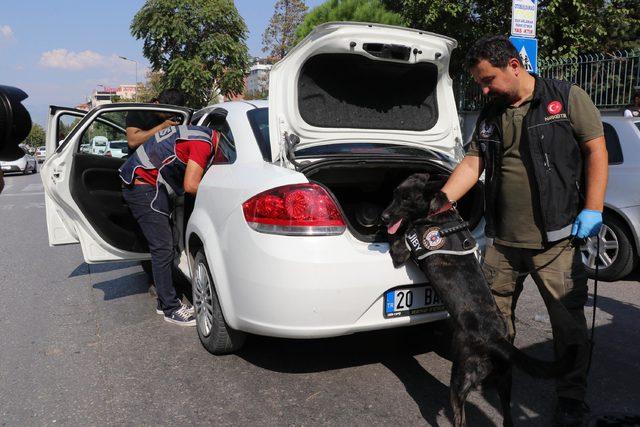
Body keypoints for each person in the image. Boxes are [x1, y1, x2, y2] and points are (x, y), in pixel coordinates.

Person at [441, 35, 608, 426]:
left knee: (568, 327)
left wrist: (594, 208)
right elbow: (472, 164)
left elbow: (595, 149)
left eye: (488, 80)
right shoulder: (490, 113)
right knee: (495, 326)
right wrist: (441, 200)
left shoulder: (565, 98)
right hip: (502, 243)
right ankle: (503, 382)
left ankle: (570, 397)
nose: (484, 89)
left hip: (558, 242)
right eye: (480, 83)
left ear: (514, 66)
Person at [119, 124, 219, 326]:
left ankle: (163, 300)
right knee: (162, 248)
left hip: (141, 182)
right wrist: (219, 193)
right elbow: (190, 185)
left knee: (162, 246)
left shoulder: (196, 132)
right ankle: (170, 308)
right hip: (145, 188)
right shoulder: (203, 144)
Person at [125, 88, 186, 296]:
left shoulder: (176, 115)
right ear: (158, 103)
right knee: (153, 238)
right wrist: (162, 127)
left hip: (169, 180)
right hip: (142, 182)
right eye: (166, 114)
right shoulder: (139, 112)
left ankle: (165, 280)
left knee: (165, 236)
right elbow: (133, 141)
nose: (171, 118)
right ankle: (157, 282)